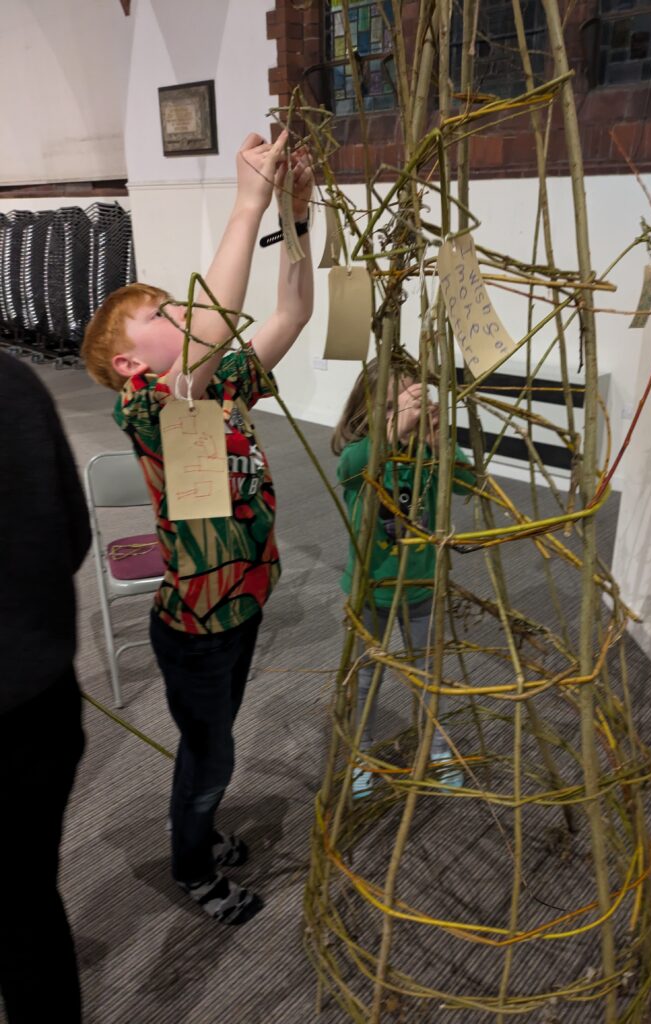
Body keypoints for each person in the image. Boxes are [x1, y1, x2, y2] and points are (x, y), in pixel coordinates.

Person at [80, 130, 314, 925]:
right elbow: (211, 328)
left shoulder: (219, 392)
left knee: (216, 746)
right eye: (154, 310)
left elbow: (294, 311)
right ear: (127, 364)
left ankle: (200, 833)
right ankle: (192, 867)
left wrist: (299, 218)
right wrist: (248, 200)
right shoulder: (147, 407)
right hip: (197, 624)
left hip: (243, 605)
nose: (175, 306)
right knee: (210, 754)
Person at [332, 359, 476, 798]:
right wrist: (393, 430)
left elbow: (470, 486)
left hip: (421, 587)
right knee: (364, 675)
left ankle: (436, 747)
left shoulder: (429, 452)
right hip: (369, 588)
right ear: (371, 410)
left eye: (419, 400)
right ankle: (363, 750)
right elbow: (347, 467)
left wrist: (441, 444)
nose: (415, 411)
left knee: (428, 672)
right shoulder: (363, 454)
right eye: (399, 404)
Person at [0, 352, 90, 1022]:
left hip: (33, 695)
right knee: (27, 904)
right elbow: (74, 535)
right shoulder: (14, 379)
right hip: (40, 704)